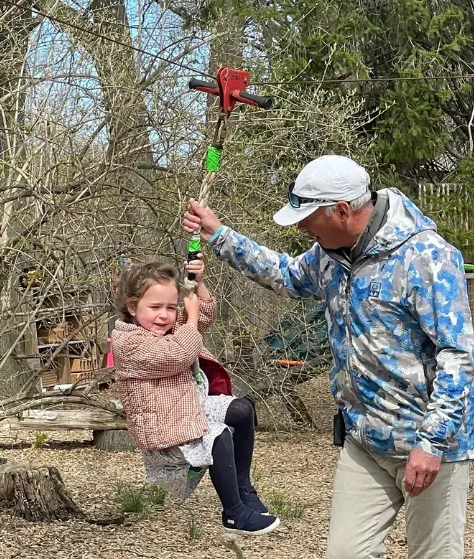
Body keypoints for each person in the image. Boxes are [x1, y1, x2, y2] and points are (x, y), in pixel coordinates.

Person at [182, 154, 474, 558]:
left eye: (307, 217)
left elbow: (458, 356)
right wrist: (218, 234)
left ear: (341, 210)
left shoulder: (427, 258)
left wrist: (432, 442)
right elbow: (284, 273)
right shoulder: (329, 257)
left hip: (429, 447)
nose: (301, 227)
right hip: (364, 441)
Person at [111, 257, 280, 536]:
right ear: (132, 306)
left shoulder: (165, 325)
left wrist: (198, 284)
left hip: (187, 407)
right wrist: (187, 318)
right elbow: (178, 355)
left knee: (242, 409)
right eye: (155, 307)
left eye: (170, 307)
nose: (164, 315)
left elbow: (203, 316)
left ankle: (244, 488)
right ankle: (234, 514)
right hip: (164, 427)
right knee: (218, 436)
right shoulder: (128, 341)